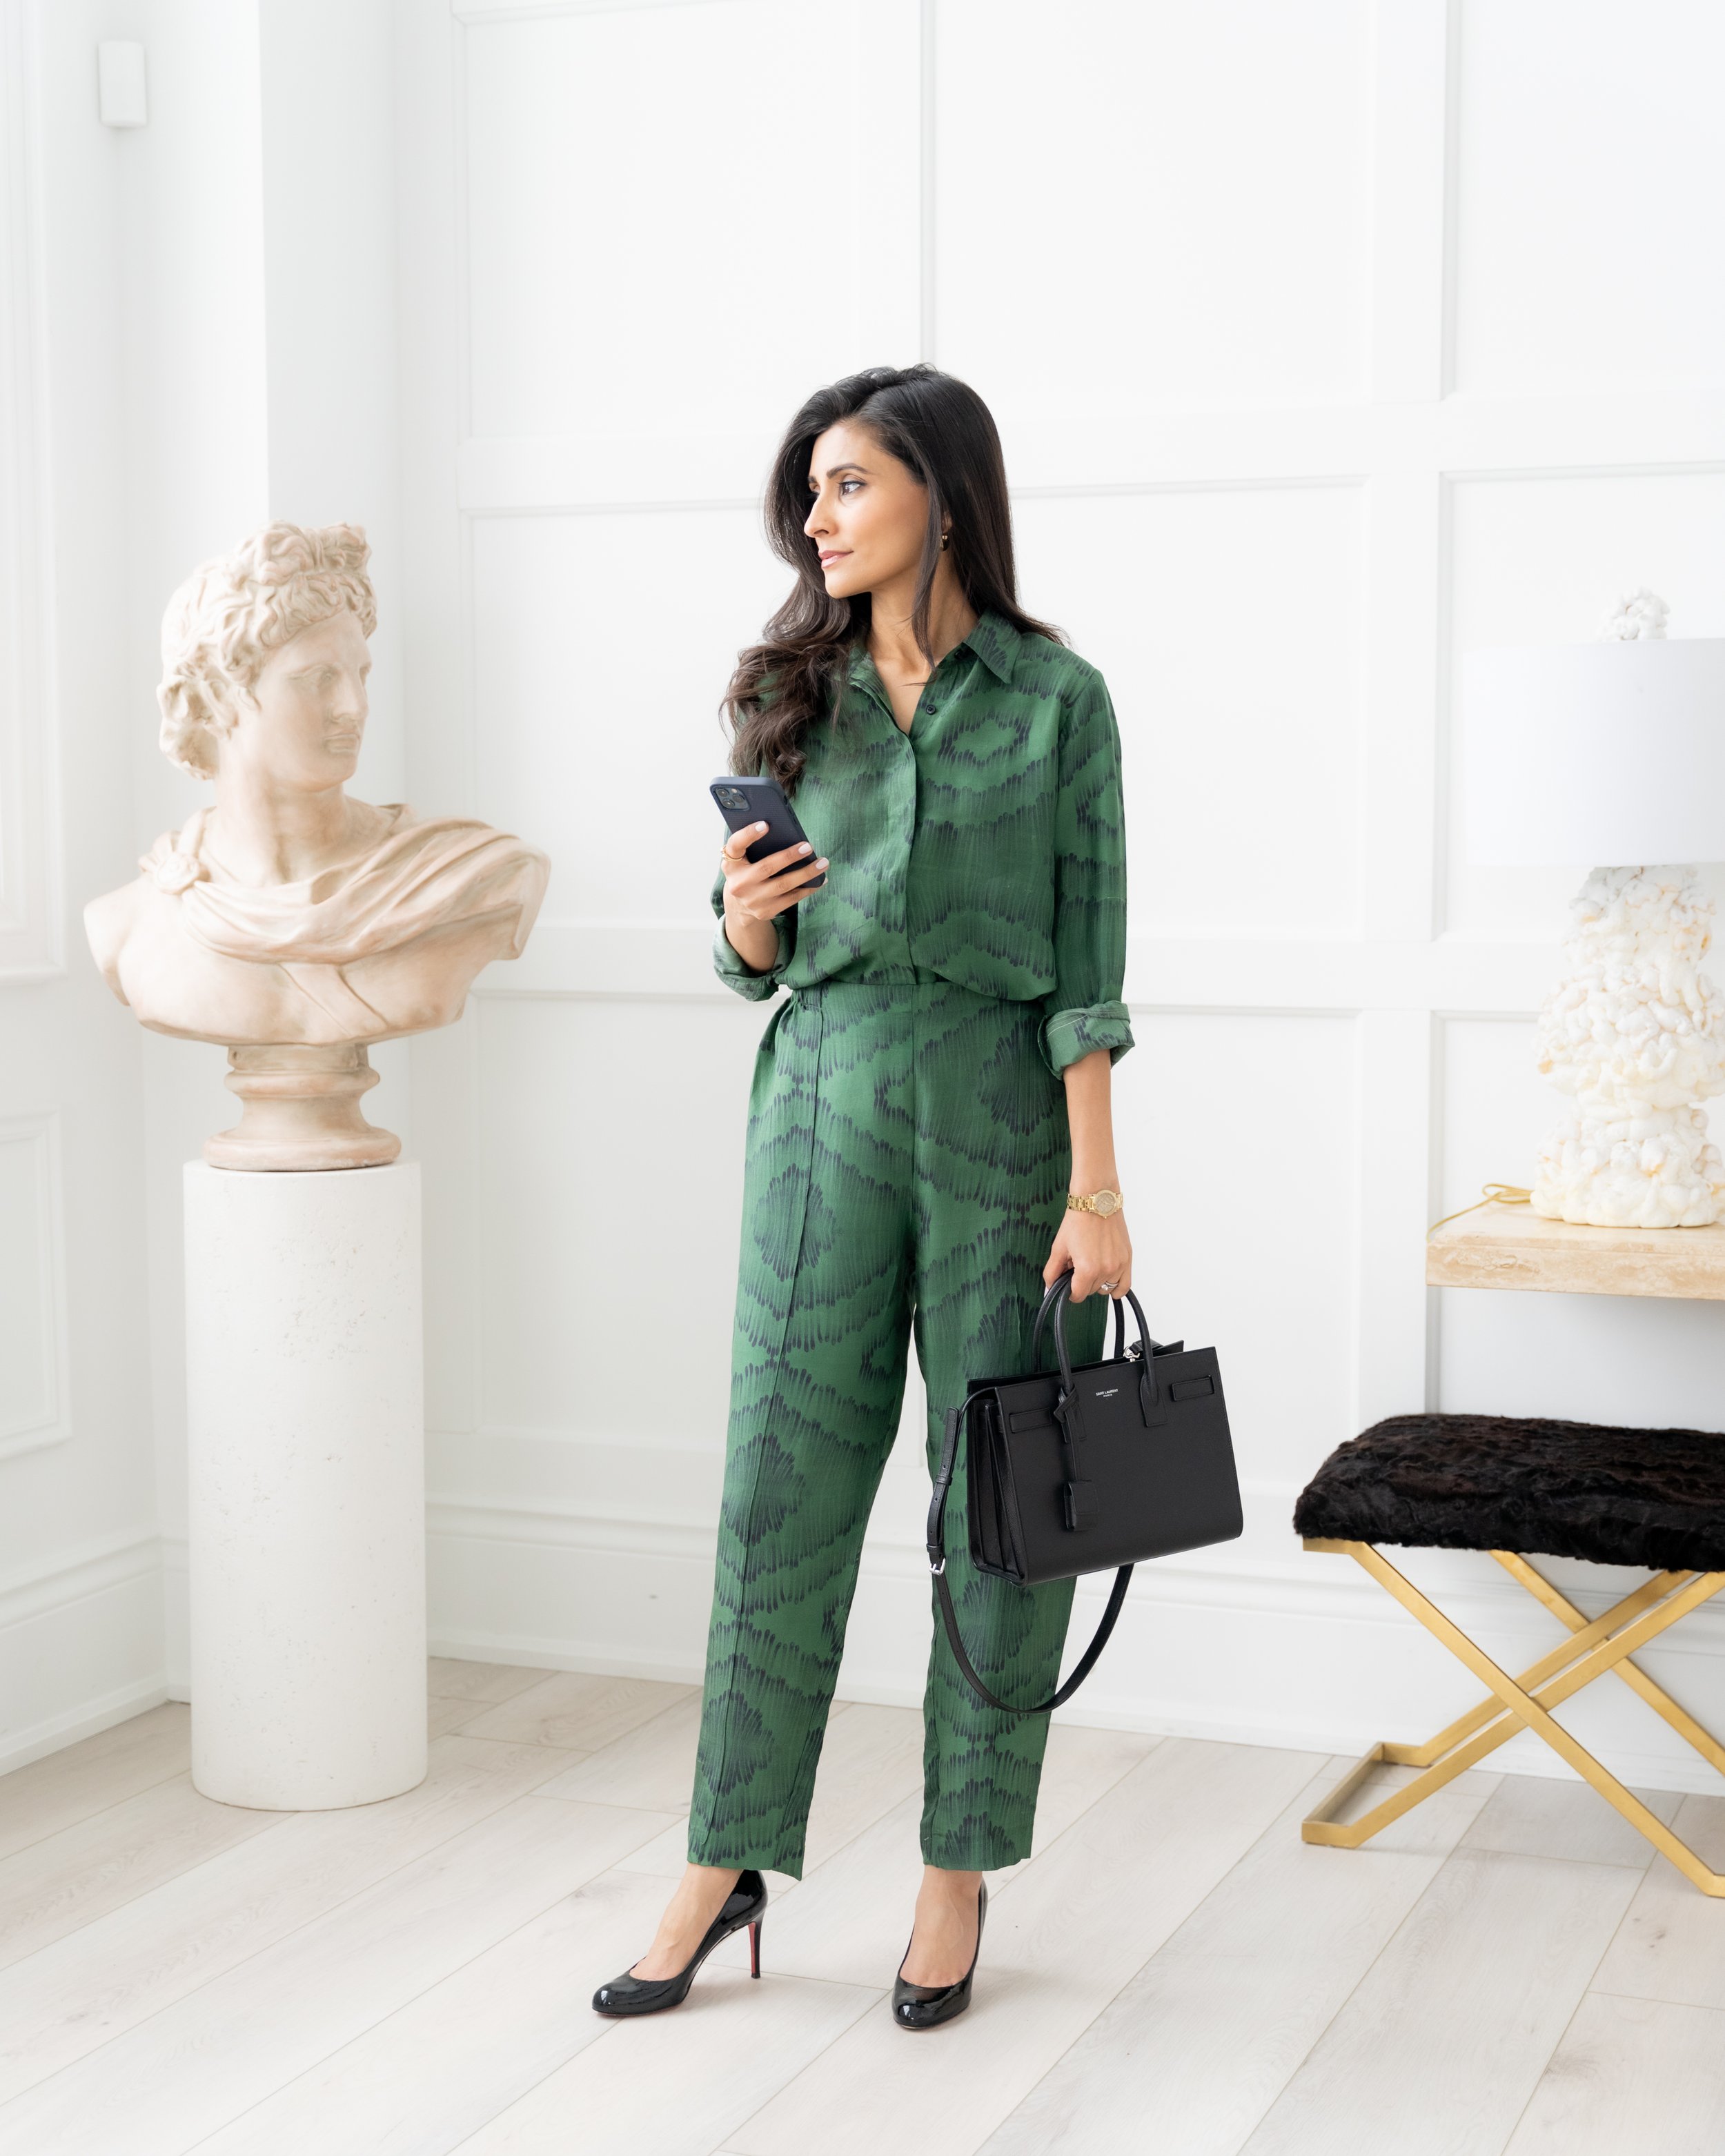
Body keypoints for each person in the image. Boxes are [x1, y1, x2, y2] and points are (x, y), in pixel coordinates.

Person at [592, 365, 1133, 2029]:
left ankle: (956, 1872)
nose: (815, 520)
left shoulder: (1055, 701)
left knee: (998, 1503)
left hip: (997, 1122)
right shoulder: (787, 691)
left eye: (846, 487)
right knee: (778, 1490)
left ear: (940, 498)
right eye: (809, 495)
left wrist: (1096, 1187)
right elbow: (743, 958)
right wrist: (745, 914)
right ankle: (722, 1854)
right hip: (818, 1107)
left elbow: (1087, 972)